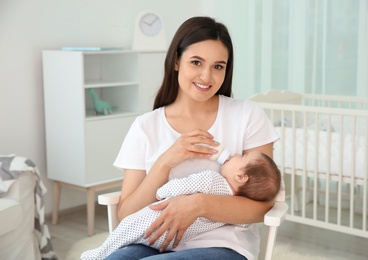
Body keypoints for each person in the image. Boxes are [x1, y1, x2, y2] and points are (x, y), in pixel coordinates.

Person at [107, 16, 279, 260]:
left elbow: (262, 205)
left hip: (223, 245)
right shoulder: (145, 127)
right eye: (196, 62)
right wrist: (166, 161)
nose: (206, 77)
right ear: (177, 61)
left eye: (218, 66)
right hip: (154, 240)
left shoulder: (247, 115)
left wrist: (197, 205)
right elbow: (126, 213)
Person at [81, 151, 281, 260]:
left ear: (241, 176)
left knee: (124, 233)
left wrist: (163, 193)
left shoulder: (212, 180)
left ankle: (97, 254)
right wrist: (164, 163)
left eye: (243, 157)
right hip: (170, 238)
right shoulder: (232, 203)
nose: (237, 153)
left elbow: (181, 186)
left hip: (165, 227)